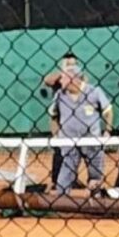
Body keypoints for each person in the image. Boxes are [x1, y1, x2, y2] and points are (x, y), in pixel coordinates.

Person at [49, 66, 113, 195]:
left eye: (63, 78)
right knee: (65, 176)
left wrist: (108, 130)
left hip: (92, 141)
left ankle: (95, 199)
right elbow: (53, 115)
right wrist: (56, 134)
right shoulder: (60, 95)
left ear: (73, 79)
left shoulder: (94, 92)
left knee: (95, 176)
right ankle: (62, 199)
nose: (60, 81)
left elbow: (108, 111)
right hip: (69, 141)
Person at [43, 53, 79, 189]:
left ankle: (72, 178)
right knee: (59, 149)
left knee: (75, 150)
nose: (70, 67)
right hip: (60, 118)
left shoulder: (79, 78)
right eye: (68, 64)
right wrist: (63, 72)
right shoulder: (58, 79)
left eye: (73, 64)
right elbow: (48, 81)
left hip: (76, 118)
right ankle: (55, 180)